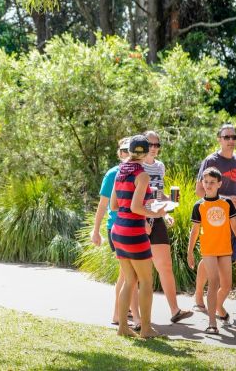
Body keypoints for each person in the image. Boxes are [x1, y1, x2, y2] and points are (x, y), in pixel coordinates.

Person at [194, 123, 236, 319]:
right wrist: (225, 198)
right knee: (211, 259)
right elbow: (200, 191)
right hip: (217, 221)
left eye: (234, 137)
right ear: (219, 139)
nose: (231, 140)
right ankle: (199, 296)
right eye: (227, 137)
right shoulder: (210, 161)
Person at [110, 135, 167, 339]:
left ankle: (123, 327)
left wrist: (147, 206)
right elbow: (136, 207)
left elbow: (114, 206)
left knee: (129, 280)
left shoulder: (120, 172)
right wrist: (157, 213)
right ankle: (145, 329)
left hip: (118, 230)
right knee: (146, 281)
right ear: (145, 152)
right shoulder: (142, 175)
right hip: (134, 232)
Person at [187, 166, 236, 335]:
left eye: (212, 183)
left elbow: (235, 227)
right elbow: (194, 231)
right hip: (208, 250)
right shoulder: (199, 206)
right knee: (213, 282)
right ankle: (212, 323)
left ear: (219, 184)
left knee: (227, 286)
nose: (208, 185)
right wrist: (190, 251)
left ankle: (218, 307)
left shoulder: (226, 203)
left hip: (225, 250)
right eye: (206, 182)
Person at [141, 130, 193, 324]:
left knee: (165, 266)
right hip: (140, 220)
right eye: (150, 144)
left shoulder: (160, 167)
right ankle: (132, 313)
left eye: (157, 145)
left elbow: (158, 194)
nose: (154, 148)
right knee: (138, 270)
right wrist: (144, 219)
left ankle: (175, 310)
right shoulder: (136, 166)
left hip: (158, 219)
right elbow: (133, 197)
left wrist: (168, 210)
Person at [90, 137, 141, 330]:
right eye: (123, 150)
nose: (127, 154)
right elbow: (104, 204)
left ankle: (119, 314)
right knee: (129, 274)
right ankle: (133, 317)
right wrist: (95, 231)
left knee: (126, 274)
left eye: (131, 150)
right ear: (119, 153)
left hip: (132, 226)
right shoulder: (113, 173)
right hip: (118, 227)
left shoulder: (138, 172)